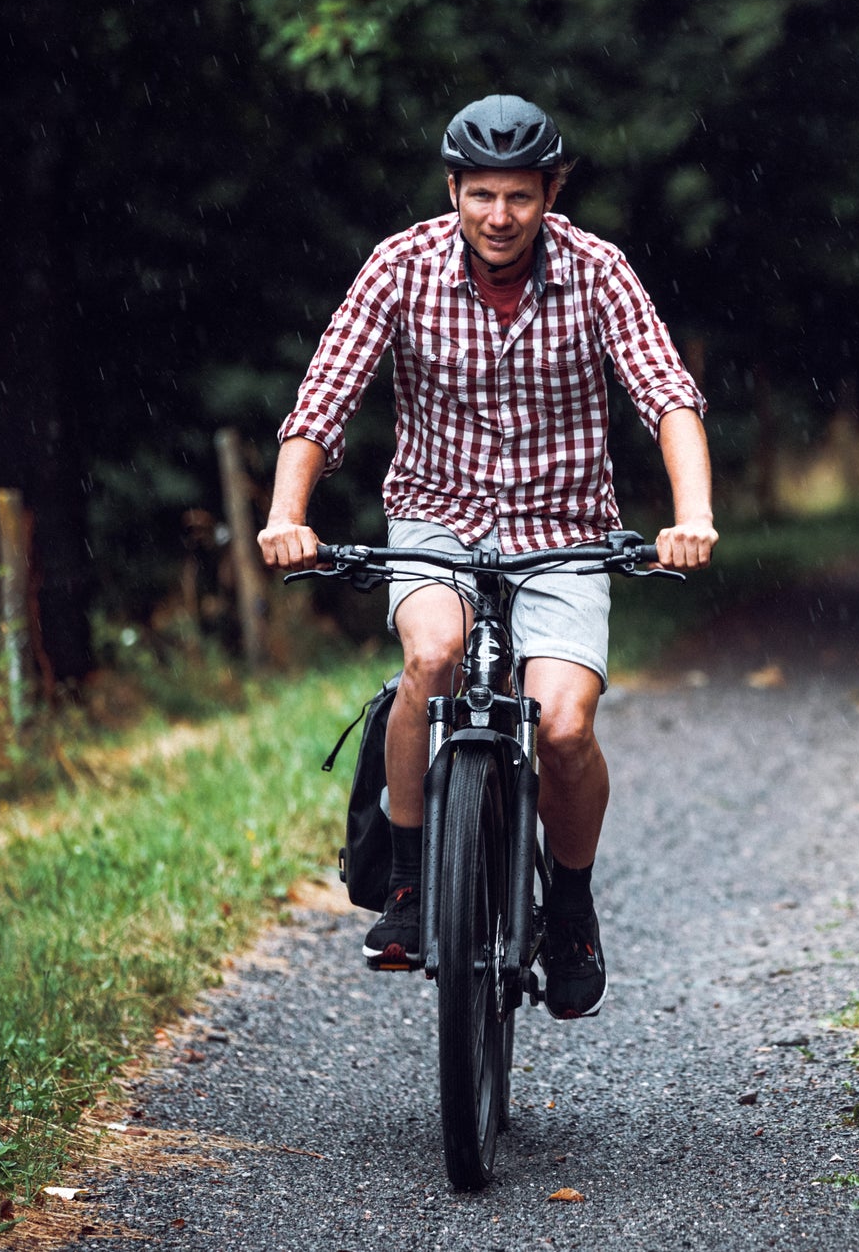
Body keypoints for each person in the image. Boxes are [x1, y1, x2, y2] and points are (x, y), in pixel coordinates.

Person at [257, 94, 715, 1018]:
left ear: (551, 193)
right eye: (479, 195)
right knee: (430, 656)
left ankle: (573, 904)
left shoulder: (598, 272)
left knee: (563, 726)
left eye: (518, 196)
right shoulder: (402, 266)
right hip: (436, 518)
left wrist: (691, 512)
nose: (498, 217)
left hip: (563, 530)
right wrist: (286, 512)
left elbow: (667, 397)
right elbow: (325, 397)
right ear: (453, 190)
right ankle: (414, 885)